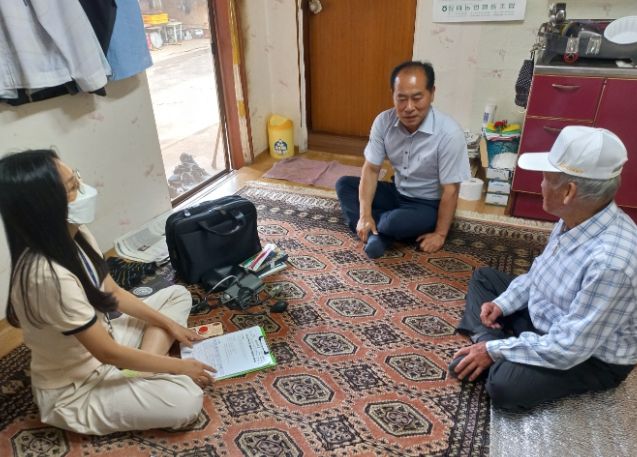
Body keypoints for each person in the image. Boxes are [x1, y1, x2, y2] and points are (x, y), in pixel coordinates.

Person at [0, 149, 216, 435]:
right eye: (73, 187)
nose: (85, 190)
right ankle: (145, 371)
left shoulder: (76, 233)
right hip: (77, 388)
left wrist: (170, 325)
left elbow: (113, 292)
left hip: (105, 341)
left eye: (77, 178)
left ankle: (142, 371)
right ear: (45, 208)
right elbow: (106, 353)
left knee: (176, 295)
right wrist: (179, 368)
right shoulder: (47, 277)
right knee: (187, 400)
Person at [449, 126, 637, 411]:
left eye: (547, 178)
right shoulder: (577, 215)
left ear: (569, 191)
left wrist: (493, 350)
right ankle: (495, 340)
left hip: (589, 354)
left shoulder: (612, 263)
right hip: (552, 315)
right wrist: (502, 304)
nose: (540, 184)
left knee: (504, 387)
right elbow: (539, 274)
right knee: (484, 278)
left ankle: (491, 342)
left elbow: (569, 347)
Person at [335, 61, 470, 258]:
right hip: (396, 192)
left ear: (432, 93)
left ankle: (380, 231)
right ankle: (377, 231)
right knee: (344, 185)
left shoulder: (449, 133)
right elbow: (371, 169)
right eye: (401, 98)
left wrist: (440, 234)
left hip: (426, 204)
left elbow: (451, 190)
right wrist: (364, 215)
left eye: (417, 98)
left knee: (392, 222)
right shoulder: (383, 121)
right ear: (393, 95)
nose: (409, 107)